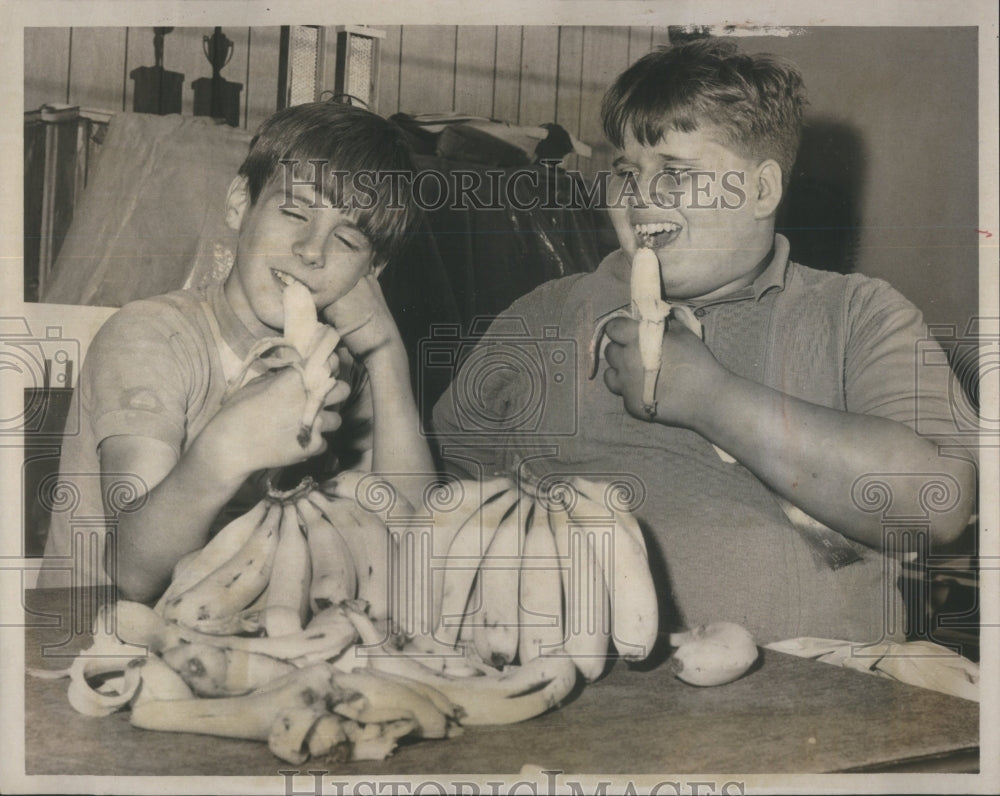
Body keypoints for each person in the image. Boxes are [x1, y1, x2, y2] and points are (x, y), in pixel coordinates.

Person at [430, 39, 977, 646]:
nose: (641, 196)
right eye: (627, 171)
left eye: (675, 171)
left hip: (818, 696)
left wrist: (706, 395)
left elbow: (940, 504)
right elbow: (449, 496)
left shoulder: (859, 314)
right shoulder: (543, 314)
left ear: (761, 191)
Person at [40, 102, 433, 603]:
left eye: (348, 239)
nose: (312, 250)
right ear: (239, 204)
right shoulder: (150, 336)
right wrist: (225, 449)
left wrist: (386, 356)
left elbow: (415, 537)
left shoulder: (344, 366)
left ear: (372, 271)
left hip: (248, 641)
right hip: (92, 637)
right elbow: (132, 575)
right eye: (293, 211)